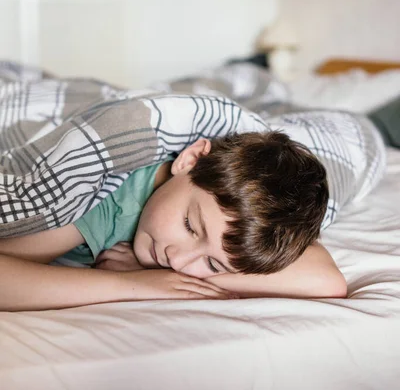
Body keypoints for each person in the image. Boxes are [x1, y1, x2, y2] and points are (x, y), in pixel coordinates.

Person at [0, 104, 388, 311]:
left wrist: (201, 275)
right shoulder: (107, 199)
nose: (178, 262)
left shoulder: (211, 218)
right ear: (190, 160)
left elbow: (325, 282)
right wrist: (131, 284)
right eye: (190, 225)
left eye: (212, 263)